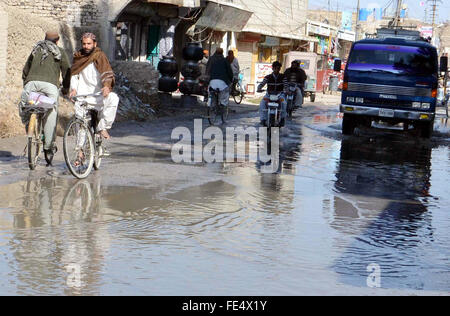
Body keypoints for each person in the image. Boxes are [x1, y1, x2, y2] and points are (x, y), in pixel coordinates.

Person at [20, 31, 71, 165]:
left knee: (25, 107)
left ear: (44, 39)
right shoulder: (59, 51)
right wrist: (66, 88)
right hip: (50, 87)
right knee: (51, 112)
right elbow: (67, 71)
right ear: (57, 41)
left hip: (31, 84)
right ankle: (48, 147)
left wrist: (27, 83)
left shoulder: (36, 49)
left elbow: (26, 70)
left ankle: (29, 129)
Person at [69, 32, 119, 142]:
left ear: (95, 44)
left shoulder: (99, 56)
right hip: (83, 96)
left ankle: (103, 127)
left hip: (98, 95)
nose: (86, 46)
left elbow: (106, 73)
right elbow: (74, 74)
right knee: (80, 124)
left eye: (89, 44)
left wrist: (106, 86)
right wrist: (74, 89)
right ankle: (80, 152)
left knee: (114, 99)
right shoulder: (78, 57)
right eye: (84, 44)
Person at [257, 61, 287, 127]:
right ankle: (263, 119)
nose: (277, 70)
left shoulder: (283, 77)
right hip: (268, 95)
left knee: (284, 103)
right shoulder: (267, 77)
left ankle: (282, 119)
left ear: (280, 69)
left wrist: (286, 91)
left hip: (280, 95)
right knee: (262, 103)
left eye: (278, 68)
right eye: (275, 68)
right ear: (272, 68)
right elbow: (262, 84)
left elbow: (286, 86)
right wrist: (259, 88)